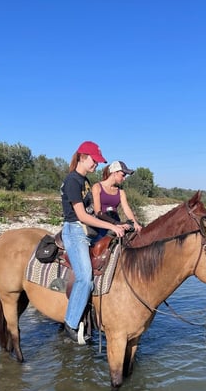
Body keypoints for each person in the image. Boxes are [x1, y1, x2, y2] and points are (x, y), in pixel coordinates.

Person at [60, 141, 129, 344]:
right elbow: (81, 215)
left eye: (98, 162)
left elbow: (94, 211)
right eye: (94, 160)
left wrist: (117, 226)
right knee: (85, 278)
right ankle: (70, 323)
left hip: (89, 231)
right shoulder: (73, 181)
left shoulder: (85, 181)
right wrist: (112, 227)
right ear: (82, 157)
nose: (96, 165)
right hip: (76, 232)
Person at [92, 160, 143, 234]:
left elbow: (126, 208)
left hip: (117, 223)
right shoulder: (97, 187)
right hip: (102, 224)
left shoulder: (121, 192)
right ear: (114, 173)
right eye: (123, 175)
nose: (124, 178)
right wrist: (115, 223)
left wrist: (135, 223)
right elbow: (98, 211)